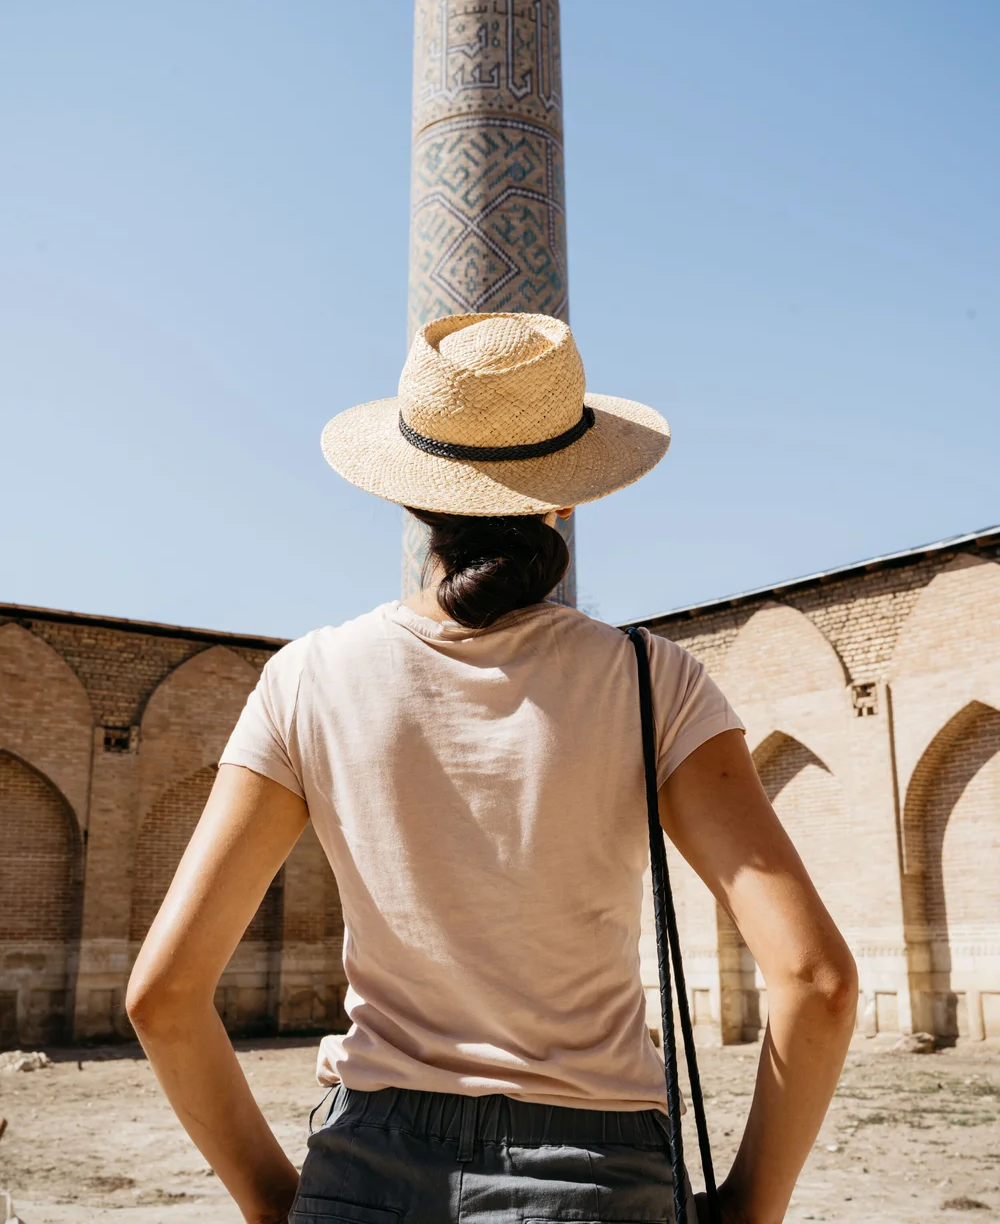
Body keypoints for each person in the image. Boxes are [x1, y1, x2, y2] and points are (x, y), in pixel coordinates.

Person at [127, 312, 858, 1224]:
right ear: (569, 499)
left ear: (411, 498)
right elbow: (818, 982)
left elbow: (163, 997)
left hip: (363, 1171)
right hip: (597, 1177)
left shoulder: (307, 679)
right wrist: (750, 1210)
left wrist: (278, 1203)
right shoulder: (651, 681)